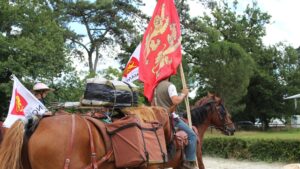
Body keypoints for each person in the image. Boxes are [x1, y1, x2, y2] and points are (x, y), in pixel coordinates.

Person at [152, 78, 198, 169]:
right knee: (192, 135)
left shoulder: (155, 87)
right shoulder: (170, 86)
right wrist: (183, 94)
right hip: (169, 118)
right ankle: (189, 162)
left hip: (157, 118)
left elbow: (153, 103)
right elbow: (175, 100)